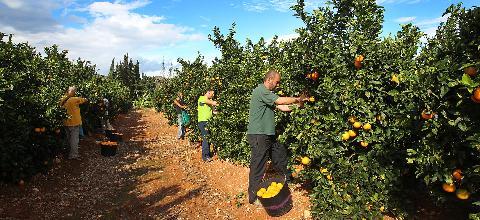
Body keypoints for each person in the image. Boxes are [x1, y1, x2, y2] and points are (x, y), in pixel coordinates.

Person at [246, 70, 308, 204]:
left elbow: (283, 107)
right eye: (277, 81)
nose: (278, 84)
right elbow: (280, 101)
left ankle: (286, 179)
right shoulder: (260, 90)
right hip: (259, 134)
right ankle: (253, 196)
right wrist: (298, 98)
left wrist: (299, 105)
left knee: (279, 154)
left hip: (268, 134)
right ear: (269, 80)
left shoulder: (267, 95)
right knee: (258, 165)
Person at [59, 86, 88, 160]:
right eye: (74, 91)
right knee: (74, 140)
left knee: (69, 138)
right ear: (74, 92)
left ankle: (69, 152)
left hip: (65, 122)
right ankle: (73, 155)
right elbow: (85, 100)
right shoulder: (74, 99)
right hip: (74, 123)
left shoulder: (62, 99)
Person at [197, 89, 218, 162]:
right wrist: (214, 103)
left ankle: (207, 154)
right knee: (206, 138)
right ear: (208, 92)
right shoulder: (201, 98)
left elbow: (214, 111)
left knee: (208, 138)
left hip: (209, 122)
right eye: (212, 94)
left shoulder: (209, 102)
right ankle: (205, 156)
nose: (213, 96)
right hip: (203, 122)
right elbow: (208, 101)